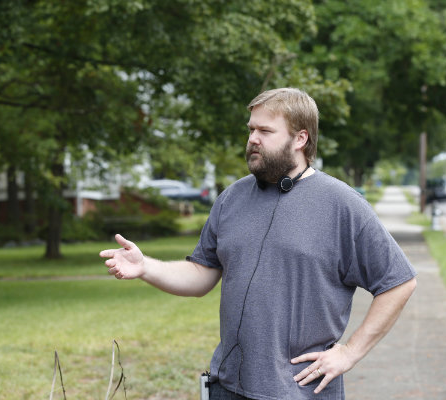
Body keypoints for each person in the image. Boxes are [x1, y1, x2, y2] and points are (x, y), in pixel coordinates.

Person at [100, 87, 417, 400]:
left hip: (301, 391)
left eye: (265, 130)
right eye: (251, 129)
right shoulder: (232, 199)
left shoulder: (342, 204)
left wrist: (348, 353)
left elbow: (399, 282)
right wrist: (145, 267)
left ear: (300, 139)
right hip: (228, 387)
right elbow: (200, 275)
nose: (253, 138)